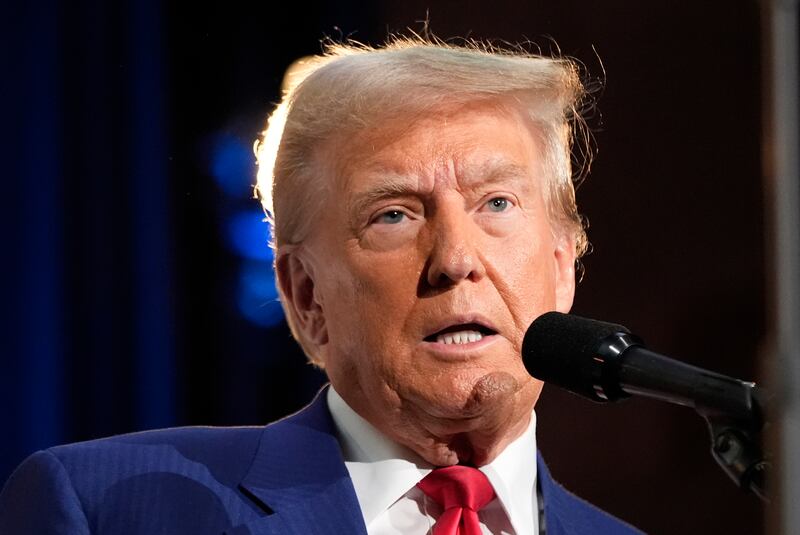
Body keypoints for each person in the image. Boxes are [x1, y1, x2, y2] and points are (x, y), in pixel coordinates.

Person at [0, 36, 642, 534]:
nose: (455, 259)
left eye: (497, 203)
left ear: (562, 267)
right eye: (394, 214)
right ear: (306, 297)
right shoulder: (109, 508)